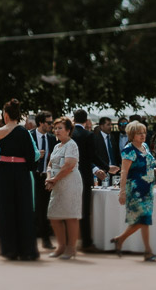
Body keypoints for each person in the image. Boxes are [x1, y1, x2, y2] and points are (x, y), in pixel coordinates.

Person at [0, 99, 38, 261]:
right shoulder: (24, 132)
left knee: (7, 209)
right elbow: (32, 156)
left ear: (5, 114)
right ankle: (27, 250)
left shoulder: (0, 131)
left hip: (5, 171)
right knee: (24, 209)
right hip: (21, 172)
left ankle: (10, 250)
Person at [110, 120, 156, 262]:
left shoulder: (144, 146)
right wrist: (122, 192)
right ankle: (144, 250)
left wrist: (154, 169)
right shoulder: (128, 150)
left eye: (144, 132)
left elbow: (146, 163)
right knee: (143, 219)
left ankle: (138, 247)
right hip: (136, 189)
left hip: (148, 188)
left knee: (145, 219)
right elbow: (124, 172)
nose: (143, 135)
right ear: (132, 135)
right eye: (139, 133)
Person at [44, 116, 82, 260]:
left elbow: (69, 165)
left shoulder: (71, 145)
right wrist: (49, 177)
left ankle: (71, 248)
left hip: (70, 183)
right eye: (55, 128)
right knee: (54, 215)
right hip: (57, 183)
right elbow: (50, 164)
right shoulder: (56, 146)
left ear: (68, 130)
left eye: (60, 128)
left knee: (70, 216)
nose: (57, 131)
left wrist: (54, 179)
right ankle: (60, 246)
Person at [70, 109, 102, 252]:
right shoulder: (88, 135)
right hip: (84, 176)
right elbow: (92, 156)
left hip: (70, 175)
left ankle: (71, 240)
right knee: (85, 210)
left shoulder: (70, 134)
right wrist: (107, 167)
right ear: (86, 120)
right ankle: (86, 242)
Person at [31, 112, 54, 250]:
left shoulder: (52, 139)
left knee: (45, 209)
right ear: (40, 123)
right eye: (49, 122)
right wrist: (35, 155)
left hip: (46, 176)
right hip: (32, 175)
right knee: (32, 208)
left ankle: (46, 239)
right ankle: (31, 238)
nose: (51, 125)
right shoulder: (30, 135)